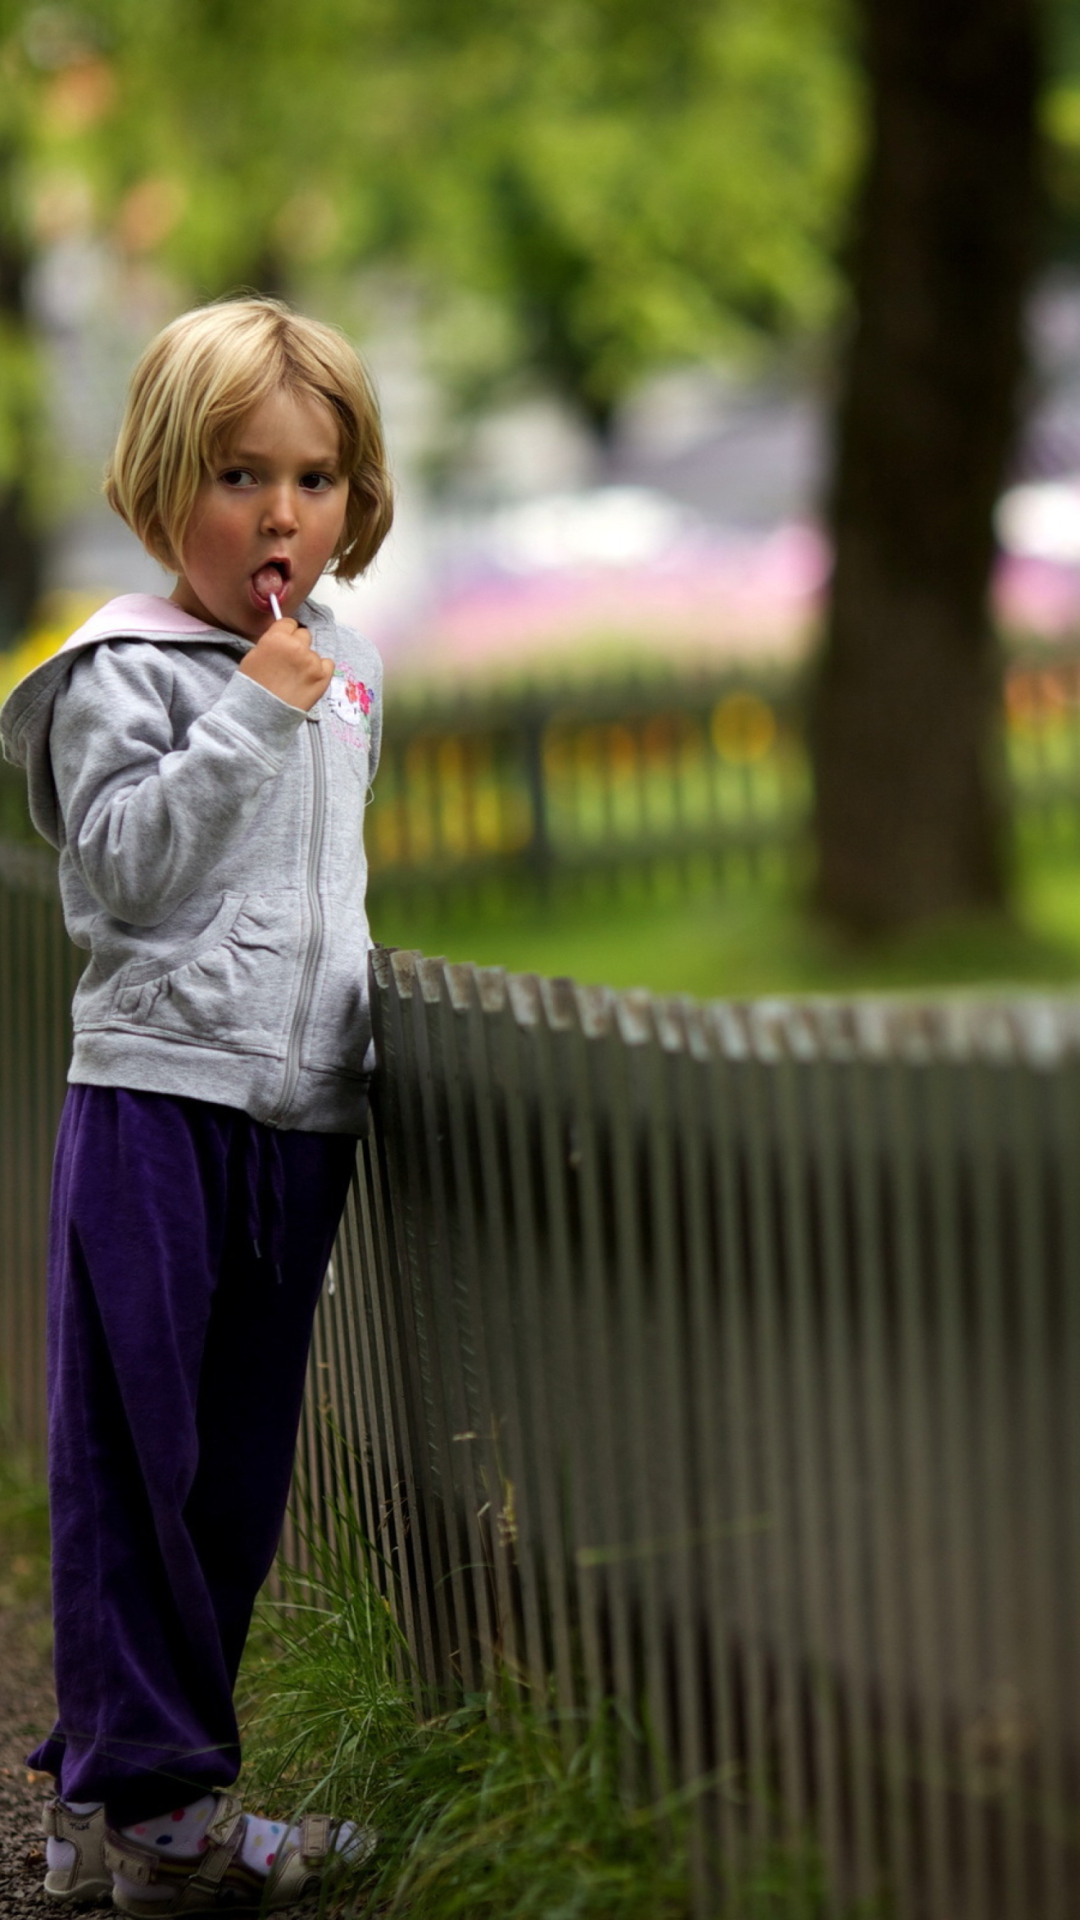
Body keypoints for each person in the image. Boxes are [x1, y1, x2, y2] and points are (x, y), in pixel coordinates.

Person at [0, 296, 394, 1913]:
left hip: (294, 1117)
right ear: (164, 490)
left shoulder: (348, 665)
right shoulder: (128, 673)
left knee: (236, 1468)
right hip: (159, 1103)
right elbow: (120, 877)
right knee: (131, 1452)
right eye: (239, 476)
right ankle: (156, 1818)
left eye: (315, 478)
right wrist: (250, 711)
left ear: (355, 501)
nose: (281, 514)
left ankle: (132, 1794)